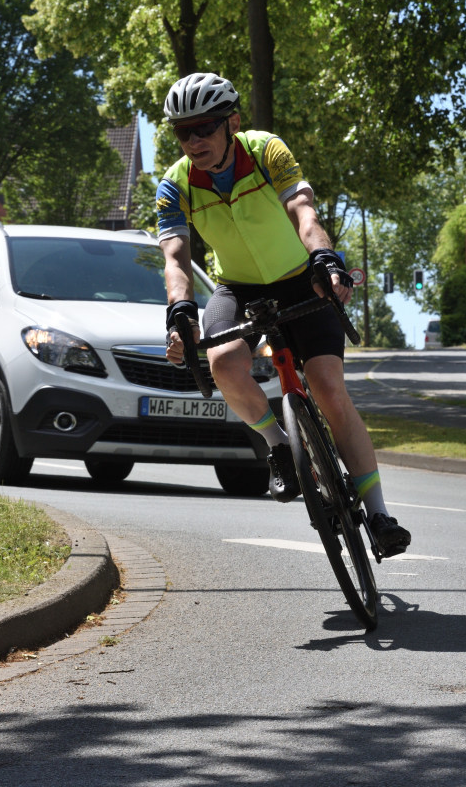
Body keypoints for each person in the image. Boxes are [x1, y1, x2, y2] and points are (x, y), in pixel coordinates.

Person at [158, 72, 411, 556]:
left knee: (329, 389)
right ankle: (279, 446)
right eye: (183, 132)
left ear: (232, 123)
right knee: (223, 362)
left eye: (205, 128)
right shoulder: (176, 185)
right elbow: (175, 259)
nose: (194, 141)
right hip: (237, 286)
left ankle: (379, 515)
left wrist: (325, 259)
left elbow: (302, 210)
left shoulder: (266, 150)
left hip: (298, 277)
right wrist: (181, 313)